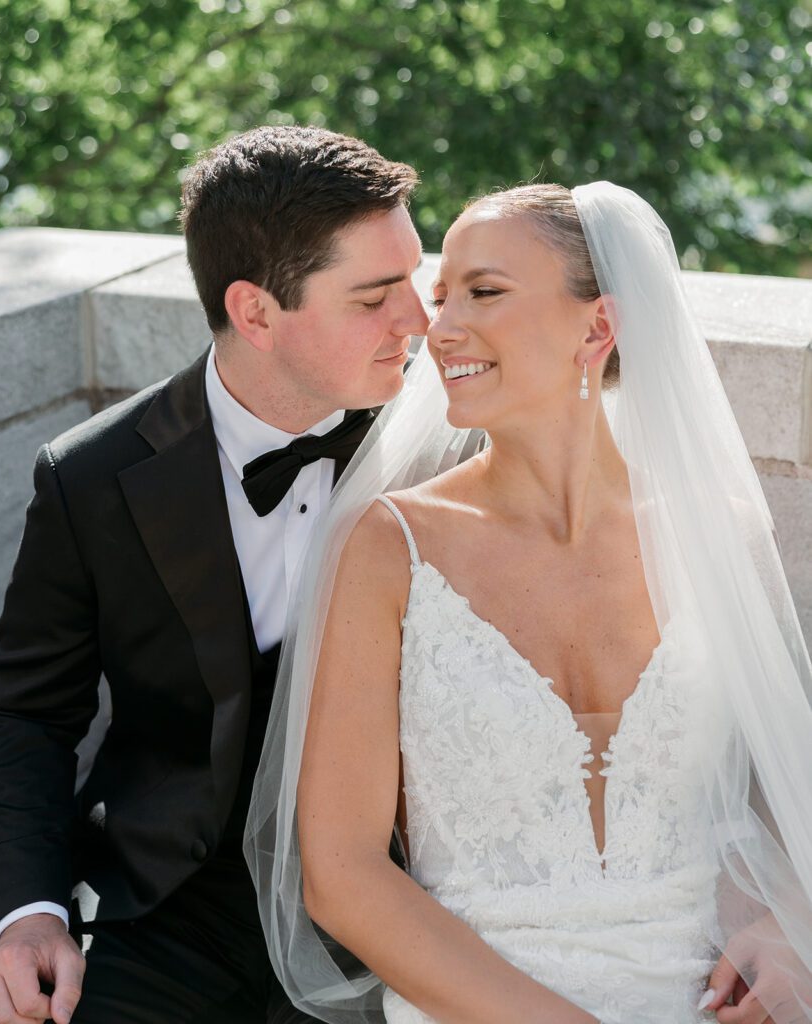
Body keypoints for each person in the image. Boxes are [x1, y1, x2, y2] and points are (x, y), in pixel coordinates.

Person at [246, 182, 812, 1023]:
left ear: (597, 326)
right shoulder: (387, 546)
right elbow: (342, 876)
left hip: (703, 998)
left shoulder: (715, 535)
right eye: (441, 297)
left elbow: (769, 798)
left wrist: (781, 925)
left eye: (484, 292)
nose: (438, 329)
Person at [0, 124, 428, 1024]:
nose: (418, 322)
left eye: (414, 283)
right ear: (256, 312)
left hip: (392, 908)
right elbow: (28, 712)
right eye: (375, 297)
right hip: (166, 905)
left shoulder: (453, 448)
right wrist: (24, 913)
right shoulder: (89, 477)